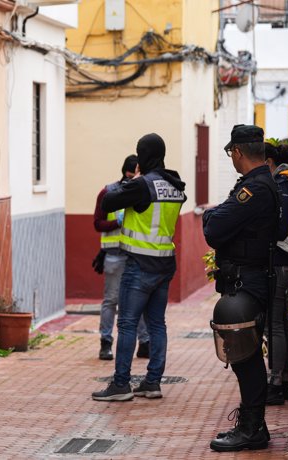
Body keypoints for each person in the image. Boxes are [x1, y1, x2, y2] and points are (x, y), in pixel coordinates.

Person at [91, 133, 186, 402]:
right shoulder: (174, 185)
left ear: (144, 155)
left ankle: (121, 384)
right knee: (157, 324)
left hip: (140, 265)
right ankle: (152, 382)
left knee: (128, 323)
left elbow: (108, 201)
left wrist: (131, 182)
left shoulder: (143, 184)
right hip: (165, 263)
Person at [203, 125, 278, 452]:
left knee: (245, 356)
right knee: (243, 354)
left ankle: (252, 429)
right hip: (247, 279)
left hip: (247, 281)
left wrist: (212, 216)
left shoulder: (256, 189)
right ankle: (253, 426)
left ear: (237, 152)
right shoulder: (260, 183)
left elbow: (215, 226)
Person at [93, 154, 150, 361]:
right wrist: (117, 222)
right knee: (111, 301)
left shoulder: (143, 191)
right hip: (115, 255)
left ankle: (144, 343)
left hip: (136, 256)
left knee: (140, 302)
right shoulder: (108, 192)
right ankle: (105, 343)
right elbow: (97, 223)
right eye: (130, 175)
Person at [264, 142, 288, 405]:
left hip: (281, 259)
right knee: (282, 324)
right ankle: (285, 381)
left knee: (274, 324)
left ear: (268, 162)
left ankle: (275, 384)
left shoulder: (284, 186)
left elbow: (280, 228)